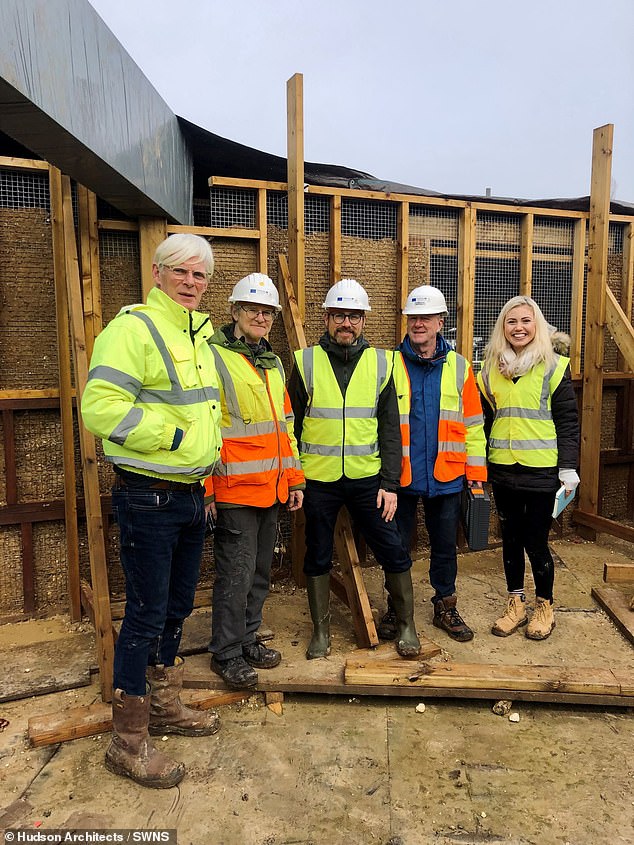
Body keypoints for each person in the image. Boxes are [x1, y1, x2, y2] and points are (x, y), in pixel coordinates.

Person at [81, 233, 223, 789]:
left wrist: (202, 467)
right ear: (159, 274)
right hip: (149, 495)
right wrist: (174, 438)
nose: (192, 283)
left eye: (201, 276)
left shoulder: (199, 338)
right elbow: (100, 406)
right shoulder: (132, 330)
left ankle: (165, 705)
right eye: (182, 272)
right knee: (144, 612)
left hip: (190, 494)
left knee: (176, 606)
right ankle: (128, 741)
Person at [288, 278, 420, 660]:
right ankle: (321, 631)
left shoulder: (381, 363)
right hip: (319, 481)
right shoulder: (306, 361)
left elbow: (390, 430)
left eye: (354, 316)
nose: (347, 323)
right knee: (316, 553)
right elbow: (289, 426)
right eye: (340, 315)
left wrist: (390, 484)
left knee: (393, 549)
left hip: (368, 481)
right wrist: (296, 476)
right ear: (327, 318)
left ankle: (407, 625)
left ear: (363, 321)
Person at [205, 273, 305, 689]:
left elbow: (285, 425)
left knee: (260, 570)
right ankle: (225, 653)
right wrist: (206, 490)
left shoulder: (272, 362)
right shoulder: (212, 357)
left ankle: (247, 639)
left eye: (267, 312)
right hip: (233, 491)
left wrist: (295, 479)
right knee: (236, 573)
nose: (261, 317)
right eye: (253, 310)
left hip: (272, 488)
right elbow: (204, 426)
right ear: (235, 312)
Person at [381, 285, 487, 643]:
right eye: (413, 317)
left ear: (441, 321)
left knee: (445, 546)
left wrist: (476, 478)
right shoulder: (388, 365)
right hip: (403, 477)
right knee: (396, 546)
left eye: (426, 317)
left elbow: (473, 426)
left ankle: (445, 604)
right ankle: (397, 607)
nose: (418, 323)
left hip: (447, 475)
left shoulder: (460, 368)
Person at [477, 295, 580, 640]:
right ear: (502, 328)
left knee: (536, 541)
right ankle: (516, 603)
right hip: (505, 469)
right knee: (509, 539)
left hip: (542, 471)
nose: (518, 328)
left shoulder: (553, 366)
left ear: (536, 325)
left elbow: (567, 421)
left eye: (525, 321)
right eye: (511, 322)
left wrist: (568, 468)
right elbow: (485, 421)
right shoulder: (490, 370)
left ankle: (544, 605)